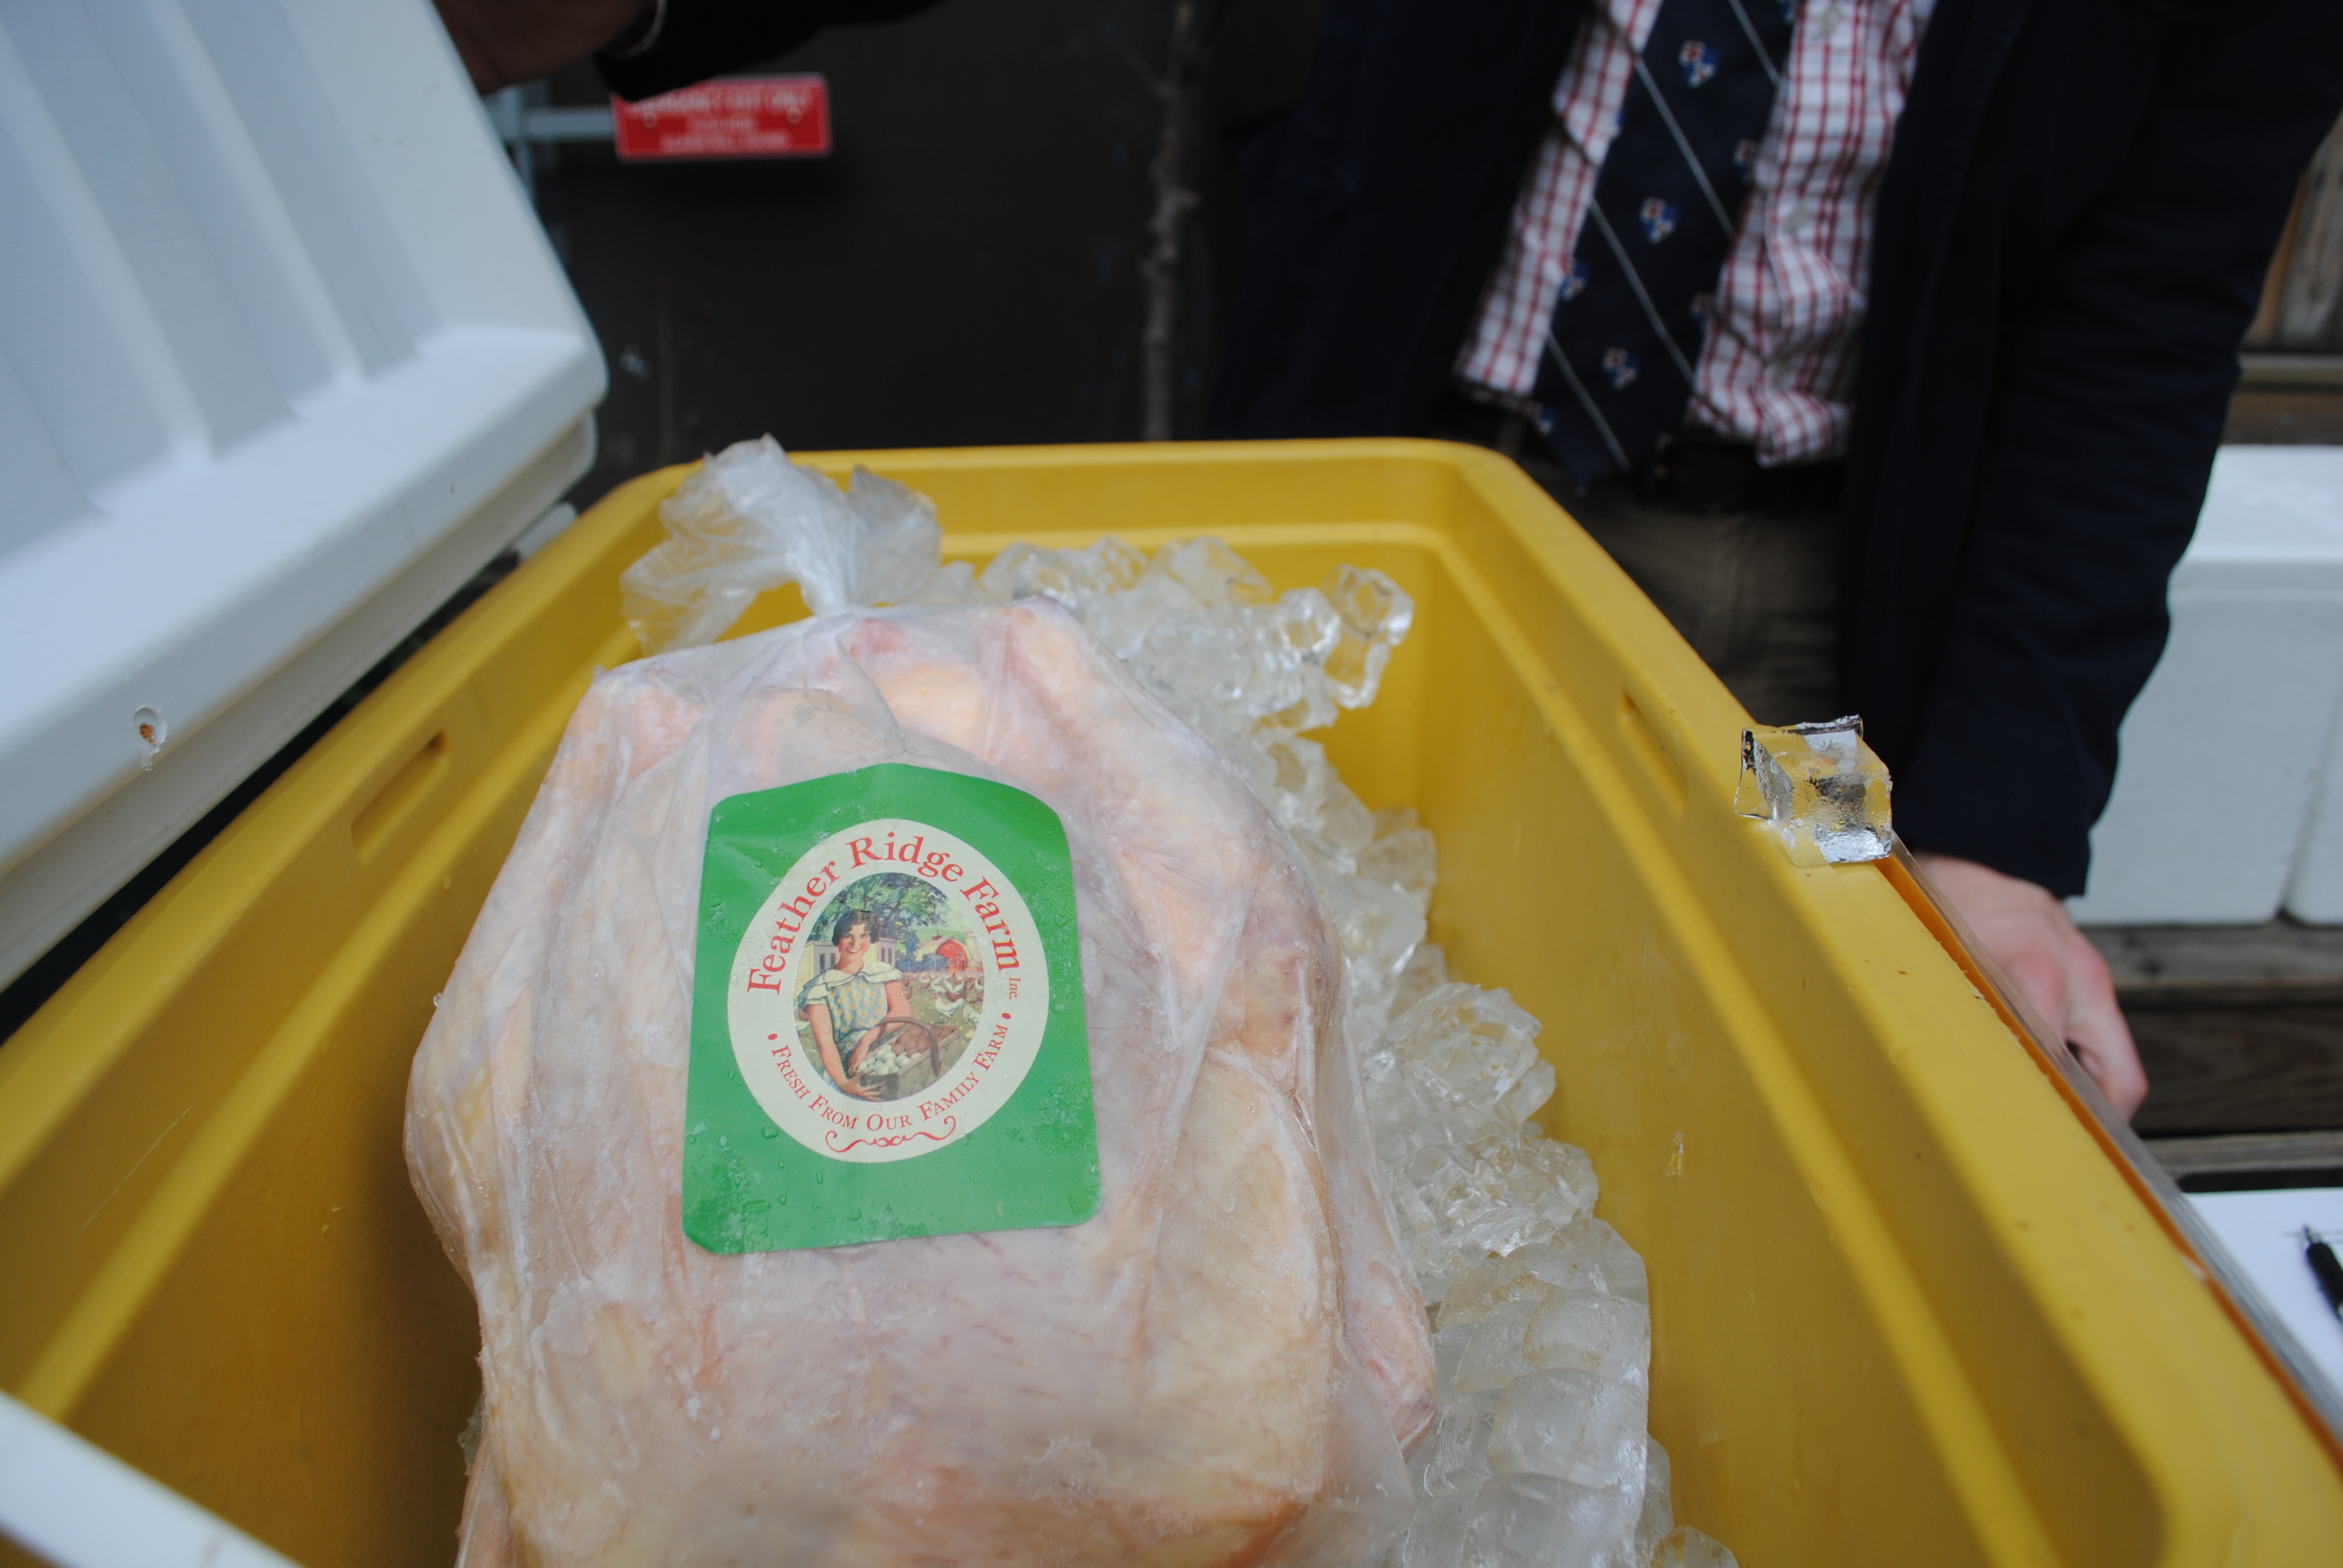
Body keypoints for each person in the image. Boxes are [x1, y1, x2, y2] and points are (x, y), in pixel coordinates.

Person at [1208, 0, 2343, 1119]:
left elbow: (2143, 319)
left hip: (1805, 605)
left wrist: (1994, 840)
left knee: (1748, 1059)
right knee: (1278, 968)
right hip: (1415, 502)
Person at [798, 909, 920, 1100]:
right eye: (848, 936)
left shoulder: (882, 973)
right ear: (838, 939)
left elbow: (904, 1011)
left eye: (863, 935)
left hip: (885, 1061)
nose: (856, 943)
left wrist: (867, 1040)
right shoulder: (820, 987)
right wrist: (845, 1084)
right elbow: (826, 1044)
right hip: (847, 1071)